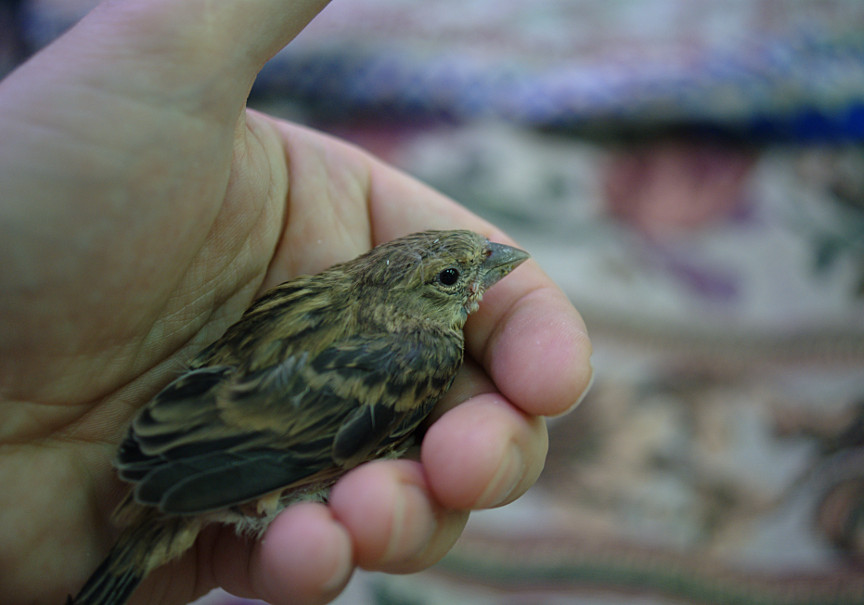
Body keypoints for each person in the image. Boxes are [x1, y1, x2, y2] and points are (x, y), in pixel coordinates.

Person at [0, 1, 593, 604]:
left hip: (172, 441)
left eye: (475, 260)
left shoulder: (339, 287)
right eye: (450, 276)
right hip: (226, 467)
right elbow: (314, 446)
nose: (494, 266)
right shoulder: (421, 356)